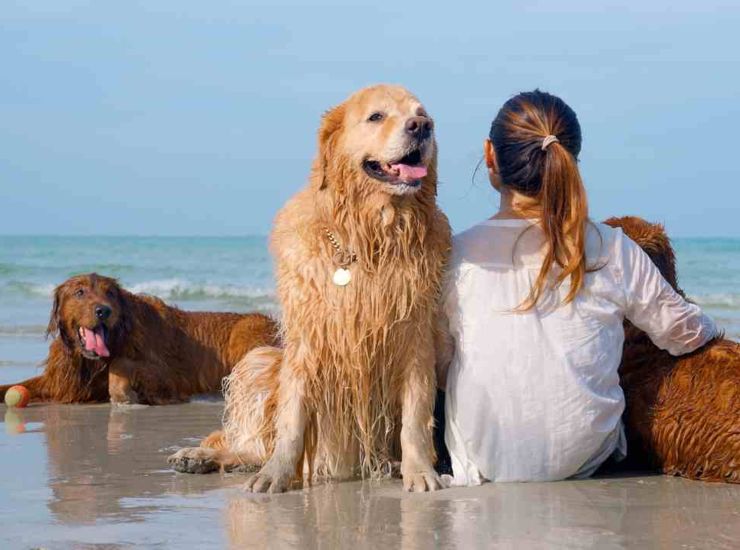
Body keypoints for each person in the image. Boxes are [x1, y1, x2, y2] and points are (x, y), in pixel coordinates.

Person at [437, 90, 717, 484]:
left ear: (489, 156)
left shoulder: (457, 253)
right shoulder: (611, 246)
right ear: (572, 160)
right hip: (585, 457)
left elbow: (441, 366)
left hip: (483, 463)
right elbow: (685, 334)